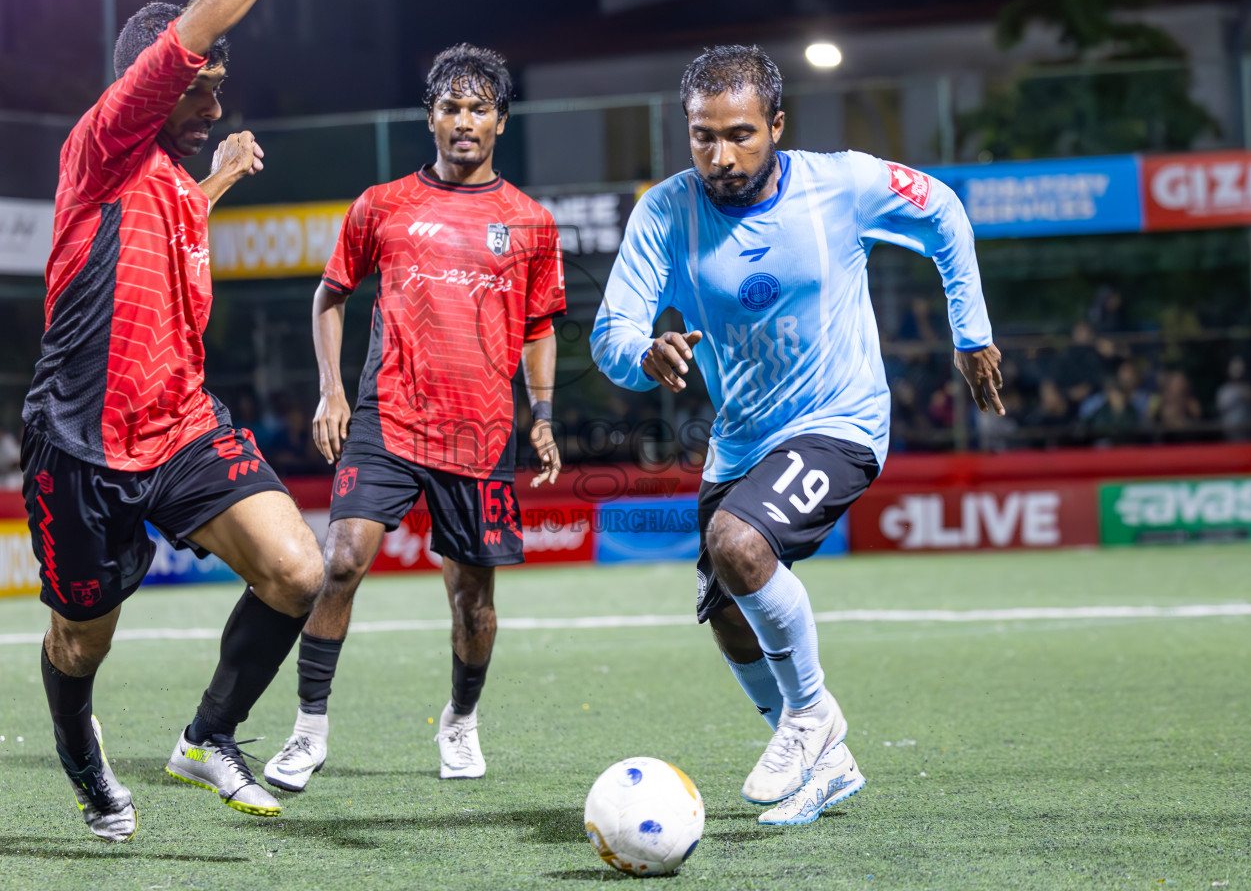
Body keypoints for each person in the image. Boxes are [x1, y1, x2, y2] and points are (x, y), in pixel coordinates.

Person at [17, 0, 371, 843]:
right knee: (79, 639)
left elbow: (167, 232)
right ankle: (79, 748)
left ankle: (207, 735)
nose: (216, 97)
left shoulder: (172, 178)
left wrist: (214, 181)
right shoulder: (103, 142)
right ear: (158, 83)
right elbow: (198, 31)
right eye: (204, 85)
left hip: (178, 425)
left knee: (300, 572)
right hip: (82, 443)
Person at [590, 46, 1003, 826]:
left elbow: (943, 209)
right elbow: (613, 332)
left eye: (741, 134)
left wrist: (969, 331)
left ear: (778, 124)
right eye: (703, 136)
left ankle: (812, 718)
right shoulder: (665, 212)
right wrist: (644, 355)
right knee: (725, 613)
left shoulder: (839, 184)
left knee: (739, 544)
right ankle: (827, 766)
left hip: (841, 420)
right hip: (743, 440)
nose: (721, 155)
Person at [256, 44, 566, 792]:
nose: (464, 121)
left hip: (480, 432)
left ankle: (460, 723)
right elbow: (330, 295)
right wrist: (333, 390)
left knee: (474, 602)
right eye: (451, 107)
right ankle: (307, 732)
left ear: (500, 120)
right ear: (430, 116)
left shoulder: (529, 222)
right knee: (340, 562)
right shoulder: (382, 204)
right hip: (387, 419)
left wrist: (544, 414)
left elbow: (540, 326)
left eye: (479, 108)